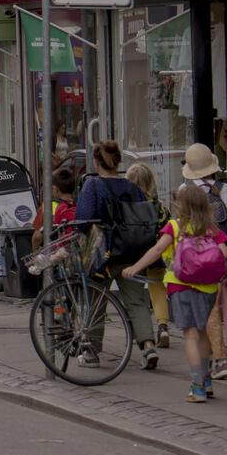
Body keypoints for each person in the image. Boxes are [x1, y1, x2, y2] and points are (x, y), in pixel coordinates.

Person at [124, 184, 227, 403]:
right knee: (202, 333)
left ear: (181, 205)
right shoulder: (211, 228)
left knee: (189, 334)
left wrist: (135, 267)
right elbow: (225, 253)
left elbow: (157, 250)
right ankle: (207, 381)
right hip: (208, 288)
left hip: (180, 285)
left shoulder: (175, 226)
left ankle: (197, 387)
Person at [74, 140, 161, 370]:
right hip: (132, 251)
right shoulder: (132, 187)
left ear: (96, 161)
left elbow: (83, 219)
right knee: (136, 301)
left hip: (101, 252)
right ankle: (148, 346)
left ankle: (91, 351)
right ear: (118, 161)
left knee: (95, 300)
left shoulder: (92, 185)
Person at [180, 143, 227, 379]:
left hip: (195, 258)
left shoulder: (184, 191)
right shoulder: (224, 190)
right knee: (225, 303)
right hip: (221, 251)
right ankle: (221, 354)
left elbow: (181, 224)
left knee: (210, 308)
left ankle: (220, 360)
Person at [125, 163, 174, 353]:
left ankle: (138, 329)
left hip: (134, 255)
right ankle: (163, 326)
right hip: (156, 253)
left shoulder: (128, 207)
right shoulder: (159, 206)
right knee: (157, 289)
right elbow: (168, 228)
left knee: (134, 295)